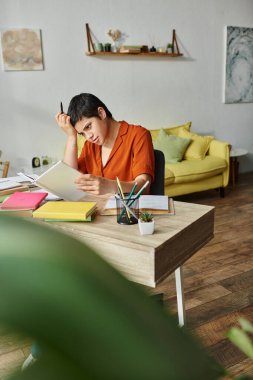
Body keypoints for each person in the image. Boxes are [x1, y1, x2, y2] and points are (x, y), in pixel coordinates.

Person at [55, 93, 154, 196]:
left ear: (101, 113)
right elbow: (70, 181)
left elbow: (144, 187)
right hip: (97, 209)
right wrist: (71, 136)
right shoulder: (90, 146)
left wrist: (110, 186)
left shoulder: (138, 135)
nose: (88, 137)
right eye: (82, 134)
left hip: (128, 210)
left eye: (88, 127)